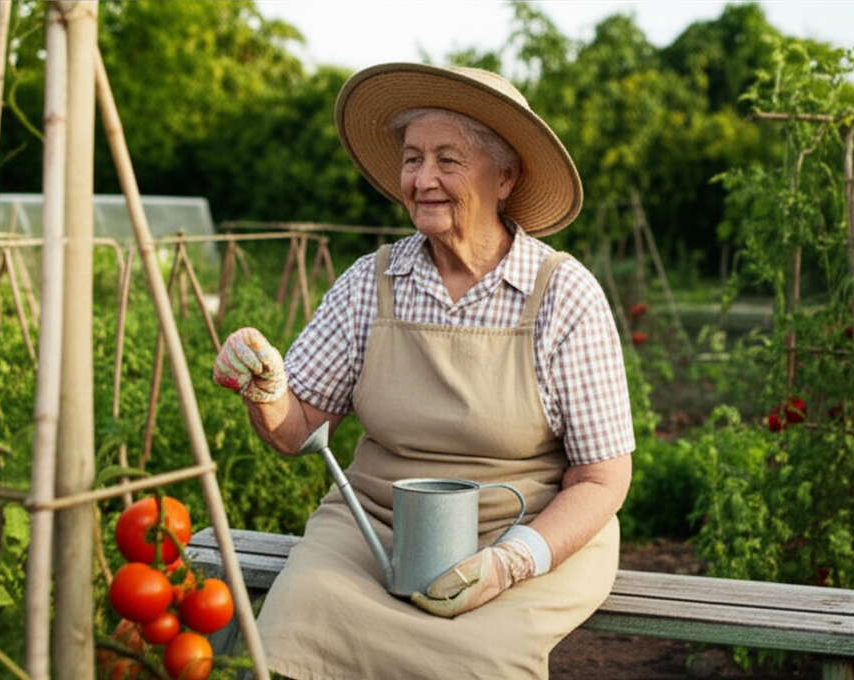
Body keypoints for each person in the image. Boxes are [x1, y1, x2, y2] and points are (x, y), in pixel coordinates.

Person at [214, 62, 635, 680]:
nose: (422, 179)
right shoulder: (371, 283)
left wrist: (510, 563)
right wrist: (267, 390)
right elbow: (296, 428)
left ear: (505, 177)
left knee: (481, 657)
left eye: (447, 160)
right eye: (412, 159)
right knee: (297, 618)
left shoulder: (562, 295)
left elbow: (602, 479)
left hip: (520, 533)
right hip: (375, 528)